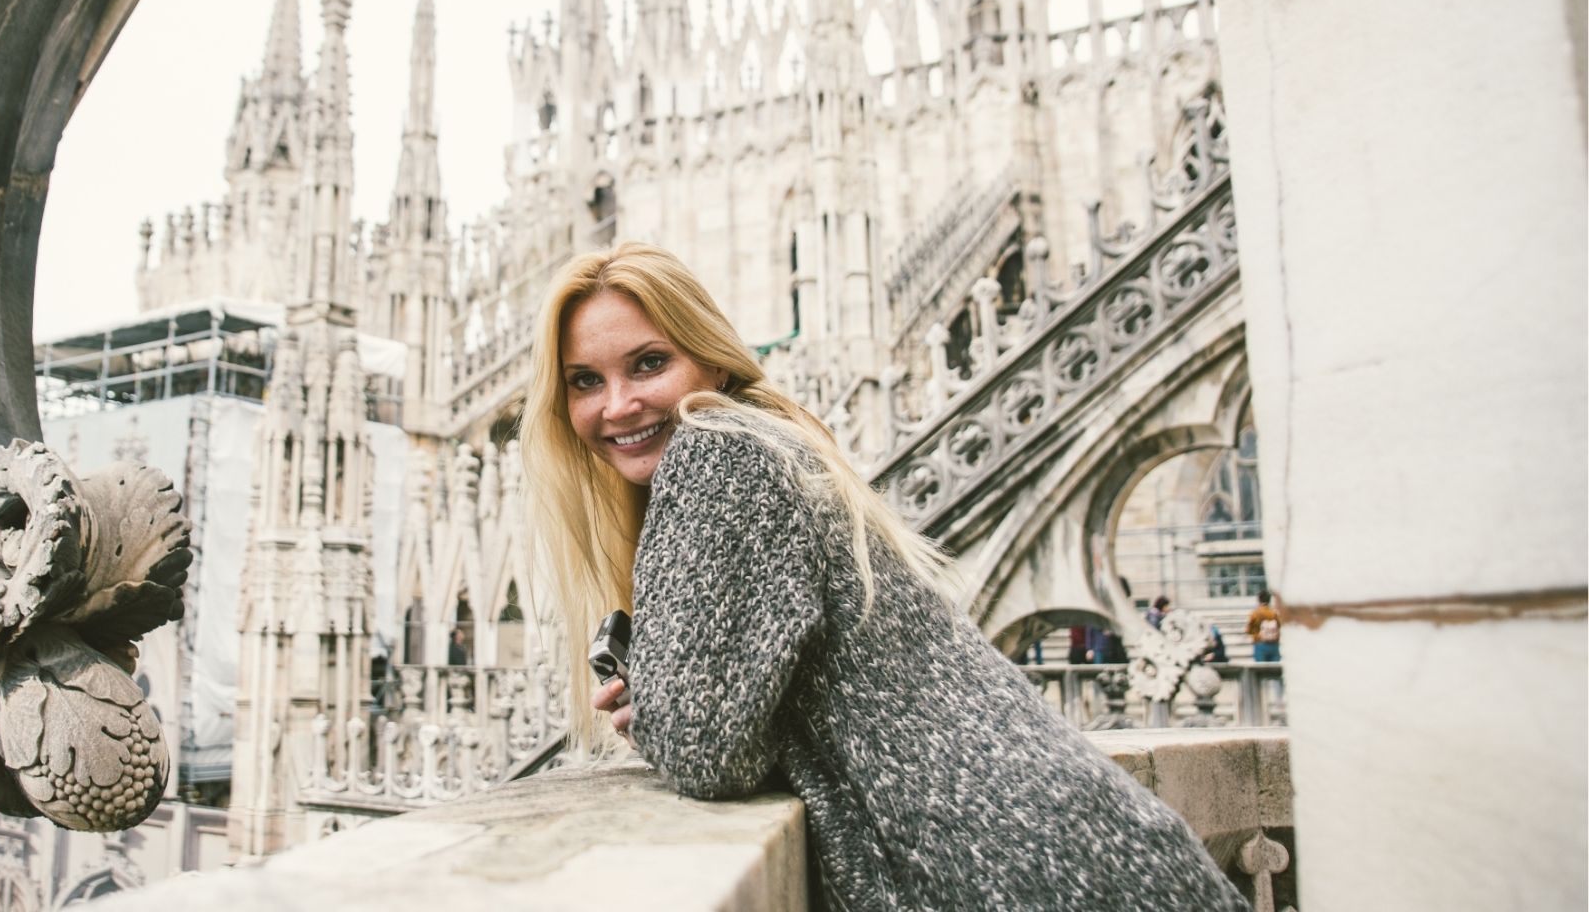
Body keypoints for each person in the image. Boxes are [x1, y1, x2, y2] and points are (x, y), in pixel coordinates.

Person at [520, 243, 1245, 911]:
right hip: (1083, 847)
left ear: (710, 361)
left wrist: (656, 706)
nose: (617, 404)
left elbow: (708, 754)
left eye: (648, 363)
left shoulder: (716, 455)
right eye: (586, 381)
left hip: (1026, 875)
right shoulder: (774, 444)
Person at [1247, 589, 1282, 662]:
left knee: (1261, 670)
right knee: (1274, 670)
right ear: (1269, 600)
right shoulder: (1274, 613)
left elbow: (1249, 630)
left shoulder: (1255, 613)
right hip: (1274, 644)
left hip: (1260, 643)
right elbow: (1279, 626)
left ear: (1259, 600)